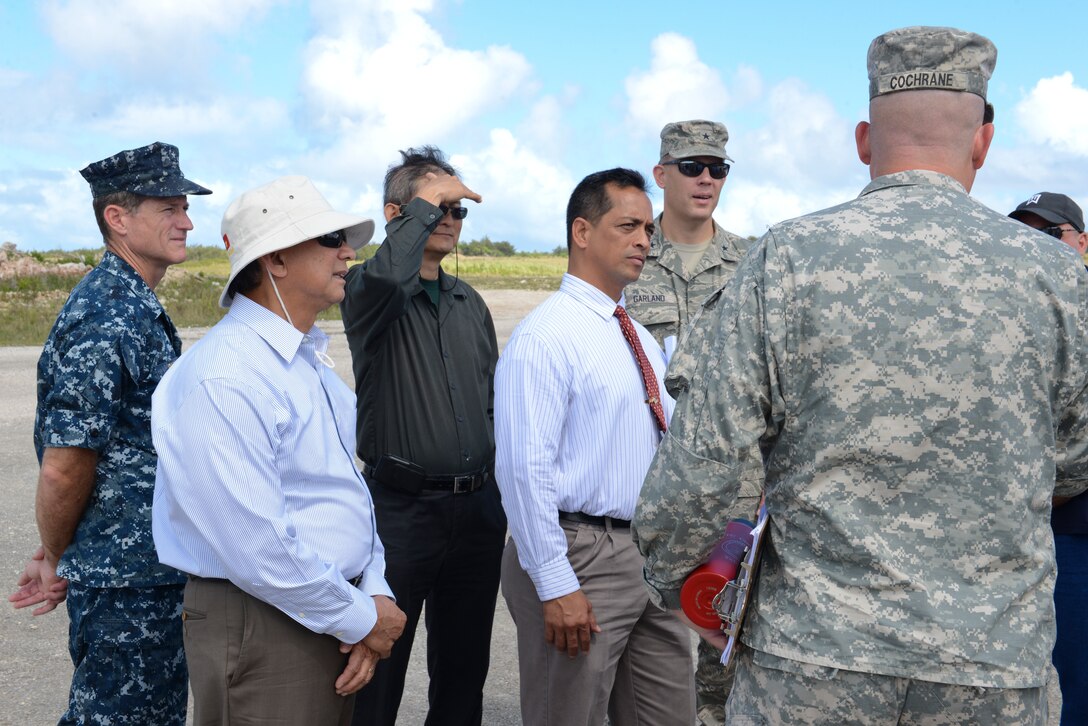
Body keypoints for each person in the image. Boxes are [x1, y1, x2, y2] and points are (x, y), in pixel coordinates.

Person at [633, 26, 1088, 725]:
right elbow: (1075, 459)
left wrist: (681, 585)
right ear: (982, 143)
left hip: (811, 666)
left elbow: (703, 462)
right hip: (992, 669)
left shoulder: (786, 259)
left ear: (864, 141)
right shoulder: (1059, 276)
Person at [151, 175, 406, 725]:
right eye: (330, 238)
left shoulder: (305, 363)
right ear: (276, 260)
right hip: (265, 621)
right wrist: (361, 618)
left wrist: (372, 592)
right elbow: (255, 542)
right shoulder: (226, 374)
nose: (347, 252)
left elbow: (346, 493)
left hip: (323, 610)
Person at [7, 141, 210, 725]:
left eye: (185, 208)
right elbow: (65, 464)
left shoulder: (132, 303)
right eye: (168, 208)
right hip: (128, 583)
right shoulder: (108, 313)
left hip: (144, 571)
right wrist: (54, 554)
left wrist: (59, 549)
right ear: (117, 218)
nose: (186, 222)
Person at [496, 168, 695, 725]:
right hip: (580, 553)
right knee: (568, 714)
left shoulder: (633, 333)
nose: (644, 241)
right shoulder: (546, 336)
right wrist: (554, 582)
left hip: (647, 556)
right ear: (582, 232)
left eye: (649, 229)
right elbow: (523, 469)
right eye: (628, 226)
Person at [339, 147, 505, 726]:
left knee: (463, 672)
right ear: (397, 215)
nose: (450, 220)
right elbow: (389, 274)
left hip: (476, 511)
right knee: (377, 671)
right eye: (438, 208)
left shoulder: (469, 303)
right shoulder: (368, 291)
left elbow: (490, 400)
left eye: (458, 210)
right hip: (400, 512)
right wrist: (425, 203)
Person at [625, 118, 753, 726]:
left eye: (717, 168)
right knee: (644, 666)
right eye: (692, 167)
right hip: (645, 487)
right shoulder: (628, 257)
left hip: (736, 493)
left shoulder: (753, 263)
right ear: (661, 174)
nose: (706, 179)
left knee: (728, 659)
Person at [1009, 191, 1088, 724]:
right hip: (1028, 531)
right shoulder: (1007, 312)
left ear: (1081, 242)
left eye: (1050, 233)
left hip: (1075, 525)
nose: (1034, 244)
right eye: (1024, 233)